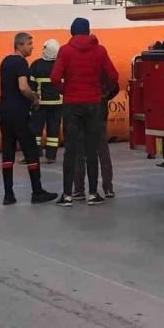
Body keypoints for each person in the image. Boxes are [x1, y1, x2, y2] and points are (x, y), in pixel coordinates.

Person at [51, 17, 119, 207]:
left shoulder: (65, 51)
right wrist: (101, 91)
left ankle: (67, 195)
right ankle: (93, 193)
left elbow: (55, 77)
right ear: (89, 31)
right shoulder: (100, 50)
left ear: (72, 32)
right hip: (93, 105)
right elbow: (113, 75)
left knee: (71, 150)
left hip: (72, 105)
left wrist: (66, 91)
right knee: (92, 150)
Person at [0, 32, 57, 206]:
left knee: (7, 151)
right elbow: (23, 87)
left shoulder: (5, 62)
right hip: (18, 112)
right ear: (20, 45)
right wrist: (34, 99)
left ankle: (8, 194)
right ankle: (37, 191)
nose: (32, 47)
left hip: (3, 110)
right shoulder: (21, 62)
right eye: (29, 44)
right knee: (31, 150)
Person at [73, 72, 120, 200]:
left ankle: (79, 190)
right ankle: (108, 188)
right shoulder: (101, 59)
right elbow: (115, 82)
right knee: (102, 150)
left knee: (80, 152)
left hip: (80, 110)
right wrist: (104, 96)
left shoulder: (74, 58)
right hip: (99, 110)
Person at [29, 38, 62, 163]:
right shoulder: (61, 65)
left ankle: (35, 153)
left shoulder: (36, 65)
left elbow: (30, 84)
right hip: (57, 104)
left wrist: (32, 100)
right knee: (53, 131)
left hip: (40, 104)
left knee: (36, 130)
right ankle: (51, 157)